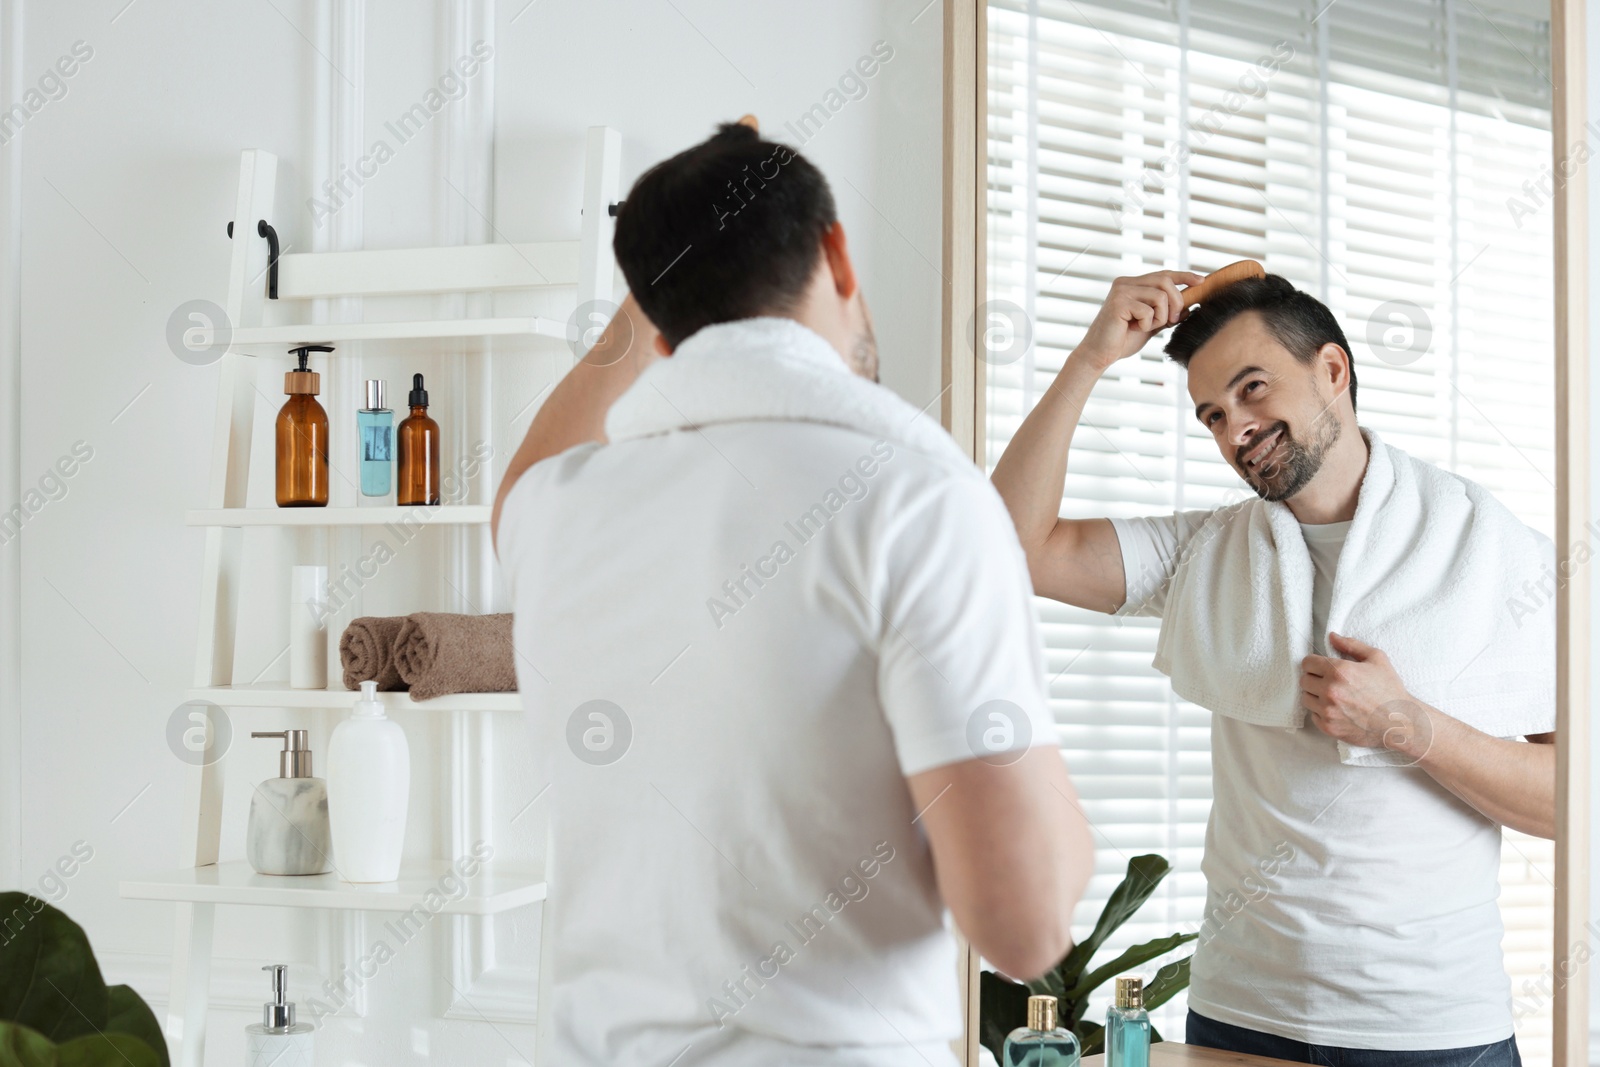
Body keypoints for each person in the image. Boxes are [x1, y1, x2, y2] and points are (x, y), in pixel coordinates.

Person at [492, 120, 1093, 1066]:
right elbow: (1023, 926)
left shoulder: (557, 514)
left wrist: (657, 288)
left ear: (654, 323)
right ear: (838, 254)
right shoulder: (917, 498)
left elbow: (526, 475)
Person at [991, 270, 1555, 1066]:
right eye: (1213, 415)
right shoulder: (1207, 550)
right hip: (1241, 1011)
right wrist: (1089, 360)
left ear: (1333, 370)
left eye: (1253, 390)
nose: (1237, 430)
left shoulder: (1495, 552)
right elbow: (1012, 547)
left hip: (1430, 1027)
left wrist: (1408, 725)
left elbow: (1573, 799)